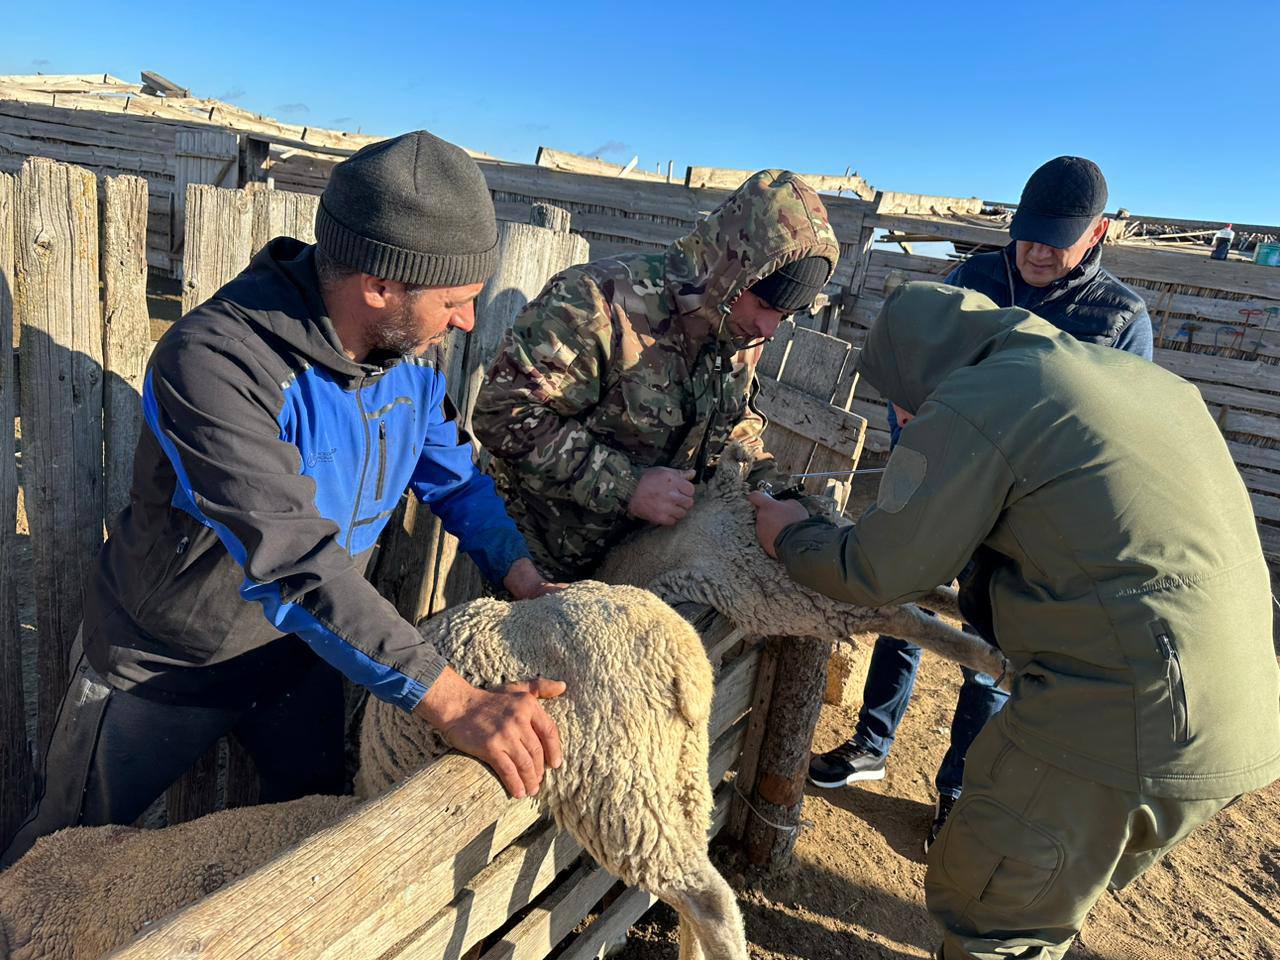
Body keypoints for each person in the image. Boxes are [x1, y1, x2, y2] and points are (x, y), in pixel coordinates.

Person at [3, 131, 564, 868]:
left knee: (308, 841)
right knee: (60, 855)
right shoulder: (213, 362)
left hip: (305, 656)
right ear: (382, 285)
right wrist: (456, 703)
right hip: (169, 660)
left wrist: (526, 581)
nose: (466, 321)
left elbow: (455, 477)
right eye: (455, 301)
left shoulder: (408, 363)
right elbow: (294, 560)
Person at [751, 281, 1280, 960]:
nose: (903, 417)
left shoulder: (978, 399)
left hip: (1122, 722)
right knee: (1052, 893)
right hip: (1242, 713)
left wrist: (791, 534)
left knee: (996, 916)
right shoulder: (1137, 382)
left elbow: (879, 570)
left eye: (898, 401)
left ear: (917, 370)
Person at [808, 156, 1155, 851]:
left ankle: (959, 789)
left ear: (1100, 234)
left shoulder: (1118, 319)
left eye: (1058, 237)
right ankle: (873, 743)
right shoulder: (972, 278)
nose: (1036, 249)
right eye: (1028, 231)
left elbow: (1122, 432)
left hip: (1024, 516)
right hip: (934, 484)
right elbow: (911, 364)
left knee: (989, 645)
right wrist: (907, 414)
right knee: (898, 606)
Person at [472, 169, 839, 579]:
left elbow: (735, 432)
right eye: (767, 306)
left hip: (646, 563)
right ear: (731, 272)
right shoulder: (597, 303)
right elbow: (502, 415)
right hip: (544, 563)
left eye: (785, 316)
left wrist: (780, 495)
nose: (769, 329)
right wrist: (626, 486)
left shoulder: (736, 332)